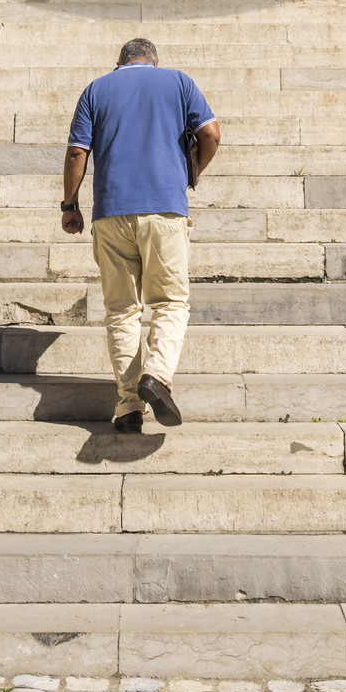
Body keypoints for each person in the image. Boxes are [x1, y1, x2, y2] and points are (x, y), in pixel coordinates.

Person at [62, 37, 220, 431]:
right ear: (153, 62)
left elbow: (77, 152)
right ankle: (157, 376)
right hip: (165, 209)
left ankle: (130, 407)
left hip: (111, 212)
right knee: (170, 301)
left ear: (120, 63)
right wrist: (192, 171)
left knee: (121, 311)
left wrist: (70, 205)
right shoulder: (178, 82)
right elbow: (212, 133)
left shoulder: (96, 89)